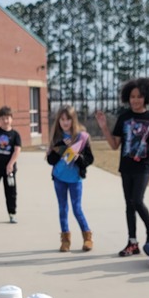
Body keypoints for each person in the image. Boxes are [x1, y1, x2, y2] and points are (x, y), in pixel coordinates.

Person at [95, 77, 149, 256]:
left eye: (139, 96)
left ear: (146, 97)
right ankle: (132, 243)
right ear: (127, 98)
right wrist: (104, 128)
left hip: (144, 166)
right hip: (126, 166)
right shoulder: (124, 117)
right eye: (132, 96)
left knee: (137, 200)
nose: (135, 100)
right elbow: (114, 145)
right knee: (129, 205)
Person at [46, 105, 94, 252]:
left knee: (77, 209)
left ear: (74, 120)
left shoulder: (82, 137)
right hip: (59, 178)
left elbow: (90, 159)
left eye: (68, 119)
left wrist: (78, 157)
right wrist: (60, 148)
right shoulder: (57, 137)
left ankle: (87, 238)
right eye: (62, 119)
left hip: (75, 180)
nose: (65, 122)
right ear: (59, 121)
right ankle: (65, 240)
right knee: (63, 209)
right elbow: (51, 160)